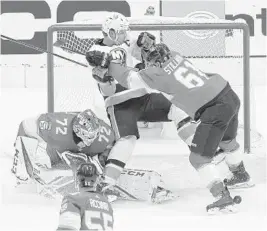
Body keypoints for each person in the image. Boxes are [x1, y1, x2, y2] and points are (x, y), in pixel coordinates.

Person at [87, 36, 253, 212]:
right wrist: (145, 49)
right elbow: (150, 56)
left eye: (150, 64)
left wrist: (110, 66)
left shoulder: (157, 75)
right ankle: (241, 175)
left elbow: (129, 79)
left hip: (214, 108)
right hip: (228, 94)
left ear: (156, 65)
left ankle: (222, 197)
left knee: (198, 158)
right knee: (227, 142)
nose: (148, 65)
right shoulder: (175, 55)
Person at [85, 12, 188, 191]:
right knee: (127, 139)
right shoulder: (95, 54)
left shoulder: (125, 40)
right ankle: (108, 183)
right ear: (111, 33)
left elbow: (141, 53)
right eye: (123, 31)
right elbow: (107, 92)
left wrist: (144, 44)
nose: (127, 34)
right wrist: (103, 79)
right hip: (119, 102)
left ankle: (205, 153)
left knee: (177, 108)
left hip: (143, 95)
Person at [11, 108, 174, 203]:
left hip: (76, 149)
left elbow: (112, 149)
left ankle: (94, 178)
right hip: (46, 143)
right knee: (39, 167)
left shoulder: (104, 134)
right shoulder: (55, 130)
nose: (88, 142)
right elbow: (25, 126)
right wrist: (20, 158)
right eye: (85, 138)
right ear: (76, 131)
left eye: (91, 138)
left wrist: (105, 166)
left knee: (95, 162)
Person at [57, 162, 114, 231]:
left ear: (77, 180)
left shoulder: (73, 200)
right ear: (96, 181)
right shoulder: (107, 204)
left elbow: (67, 228)